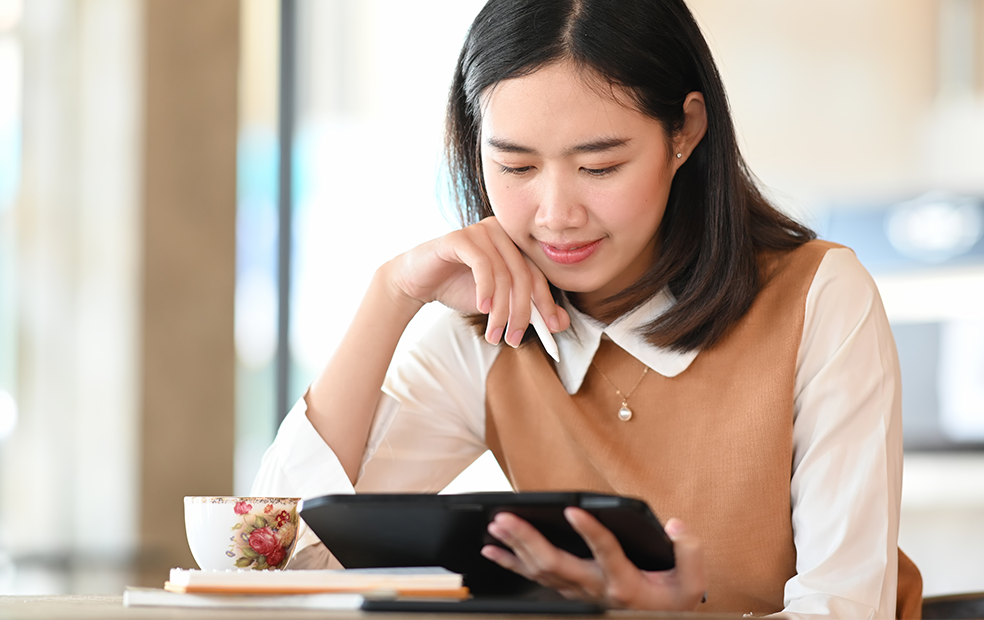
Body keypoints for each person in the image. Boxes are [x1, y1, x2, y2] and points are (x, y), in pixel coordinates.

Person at [252, 0, 923, 617]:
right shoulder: (490, 329)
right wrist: (391, 293)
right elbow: (273, 559)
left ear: (684, 131)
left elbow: (846, 607)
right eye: (515, 167)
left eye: (599, 166)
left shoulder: (818, 298)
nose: (555, 216)